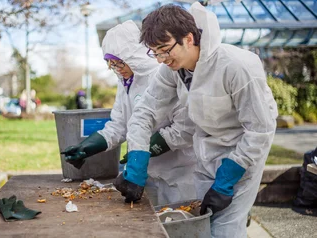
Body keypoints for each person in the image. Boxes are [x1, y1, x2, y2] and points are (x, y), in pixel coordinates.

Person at [114, 3, 278, 237]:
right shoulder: (173, 70)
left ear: (189, 38)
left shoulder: (236, 66)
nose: (160, 59)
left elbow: (260, 129)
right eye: (155, 52)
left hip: (242, 155)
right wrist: (137, 161)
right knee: (203, 224)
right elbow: (144, 112)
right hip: (206, 151)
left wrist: (227, 178)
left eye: (164, 49)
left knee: (224, 230)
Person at [61, 20, 199, 205]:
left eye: (119, 63)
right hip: (147, 174)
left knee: (178, 223)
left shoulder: (164, 75)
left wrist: (144, 149)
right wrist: (87, 147)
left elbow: (185, 127)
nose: (116, 69)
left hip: (179, 174)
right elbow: (119, 124)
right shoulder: (126, 81)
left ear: (133, 57)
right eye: (110, 64)